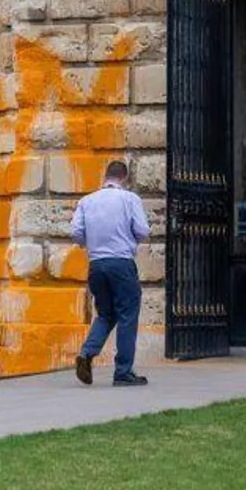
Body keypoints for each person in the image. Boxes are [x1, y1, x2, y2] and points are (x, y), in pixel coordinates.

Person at [71, 160, 151, 386]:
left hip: (96, 265)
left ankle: (87, 353)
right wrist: (129, 239)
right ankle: (123, 372)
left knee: (106, 314)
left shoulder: (87, 201)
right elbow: (143, 231)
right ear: (124, 177)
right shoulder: (129, 199)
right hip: (122, 263)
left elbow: (76, 232)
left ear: (105, 176)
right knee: (127, 315)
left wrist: (93, 244)